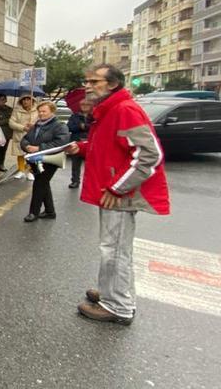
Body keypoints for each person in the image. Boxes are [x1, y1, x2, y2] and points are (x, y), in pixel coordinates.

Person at [66, 64, 169, 325]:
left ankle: (119, 306)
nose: (87, 86)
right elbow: (107, 147)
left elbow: (149, 154)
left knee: (115, 251)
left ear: (112, 84)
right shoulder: (110, 110)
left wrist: (117, 188)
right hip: (112, 192)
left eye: (94, 81)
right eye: (86, 80)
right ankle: (110, 292)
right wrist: (81, 148)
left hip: (119, 195)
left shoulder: (124, 110)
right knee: (111, 248)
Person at [20, 102, 70, 222]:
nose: (41, 114)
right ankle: (50, 211)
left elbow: (60, 143)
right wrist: (27, 147)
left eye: (44, 111)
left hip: (50, 160)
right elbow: (25, 139)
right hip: (36, 159)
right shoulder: (37, 124)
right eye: (40, 111)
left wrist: (39, 148)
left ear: (52, 112)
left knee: (39, 183)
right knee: (43, 183)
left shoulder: (59, 126)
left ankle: (33, 212)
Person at [8, 95, 38, 181]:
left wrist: (33, 126)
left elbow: (41, 122)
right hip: (20, 135)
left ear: (32, 101)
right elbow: (11, 123)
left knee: (30, 154)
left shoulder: (36, 111)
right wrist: (23, 127)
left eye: (28, 99)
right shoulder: (17, 110)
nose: (25, 101)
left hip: (32, 135)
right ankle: (21, 170)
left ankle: (29, 171)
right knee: (20, 153)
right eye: (24, 100)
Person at [66, 99, 92, 189]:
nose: (85, 106)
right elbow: (69, 127)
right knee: (75, 164)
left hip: (90, 142)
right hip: (76, 141)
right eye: (83, 104)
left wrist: (85, 126)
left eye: (87, 104)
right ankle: (75, 181)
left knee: (90, 165)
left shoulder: (94, 116)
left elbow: (97, 127)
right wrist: (79, 126)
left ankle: (89, 183)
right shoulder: (75, 116)